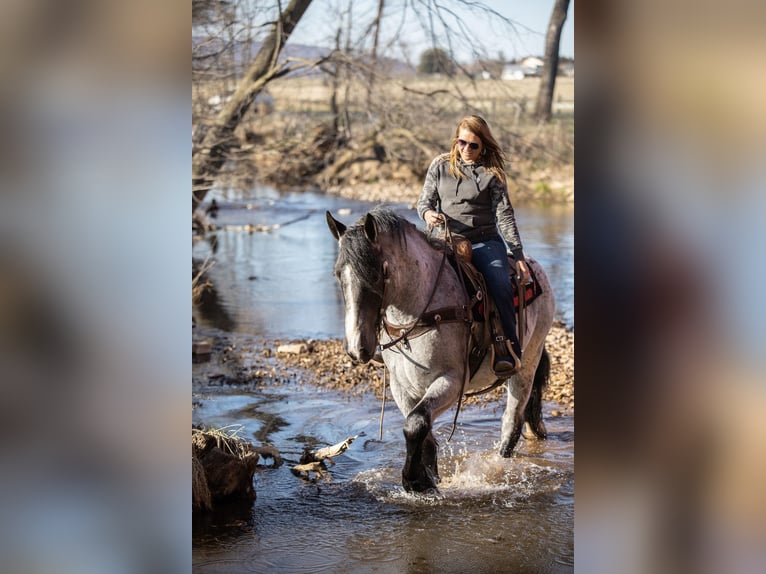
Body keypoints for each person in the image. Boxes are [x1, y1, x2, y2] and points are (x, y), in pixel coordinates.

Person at [417, 115, 531, 375]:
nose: (466, 149)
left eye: (473, 145)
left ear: (484, 146)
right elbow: (424, 202)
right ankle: (388, 338)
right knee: (405, 273)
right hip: (443, 238)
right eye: (462, 142)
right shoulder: (439, 165)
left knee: (500, 283)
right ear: (455, 140)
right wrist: (427, 215)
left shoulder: (493, 173)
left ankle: (508, 347)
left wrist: (519, 255)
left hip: (483, 241)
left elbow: (505, 216)